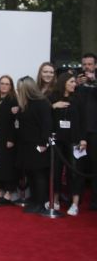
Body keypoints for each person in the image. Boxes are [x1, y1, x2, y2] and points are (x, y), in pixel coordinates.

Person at [48, 72, 86, 216]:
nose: (74, 84)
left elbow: (83, 120)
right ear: (63, 82)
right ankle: (55, 200)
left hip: (74, 139)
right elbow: (45, 116)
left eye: (74, 82)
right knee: (56, 171)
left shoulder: (78, 99)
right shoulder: (53, 97)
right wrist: (53, 106)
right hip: (57, 140)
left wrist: (83, 139)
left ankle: (75, 203)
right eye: (71, 82)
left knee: (75, 171)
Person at [15, 76, 52, 214]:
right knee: (31, 174)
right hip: (26, 145)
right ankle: (35, 200)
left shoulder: (41, 103)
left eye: (20, 88)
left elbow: (47, 125)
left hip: (38, 145)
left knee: (39, 175)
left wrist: (43, 144)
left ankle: (40, 203)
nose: (18, 90)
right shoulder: (25, 104)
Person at [0, 75, 19, 206]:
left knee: (8, 167)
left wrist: (12, 139)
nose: (4, 86)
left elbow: (16, 123)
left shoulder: (13, 101)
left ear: (11, 86)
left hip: (8, 139)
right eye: (2, 83)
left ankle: (8, 193)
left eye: (7, 84)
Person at [76, 52, 97, 210]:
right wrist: (76, 85)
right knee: (78, 166)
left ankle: (95, 201)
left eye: (90, 64)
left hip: (95, 131)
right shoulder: (77, 82)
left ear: (95, 65)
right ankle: (77, 200)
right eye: (85, 64)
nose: (87, 67)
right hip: (80, 131)